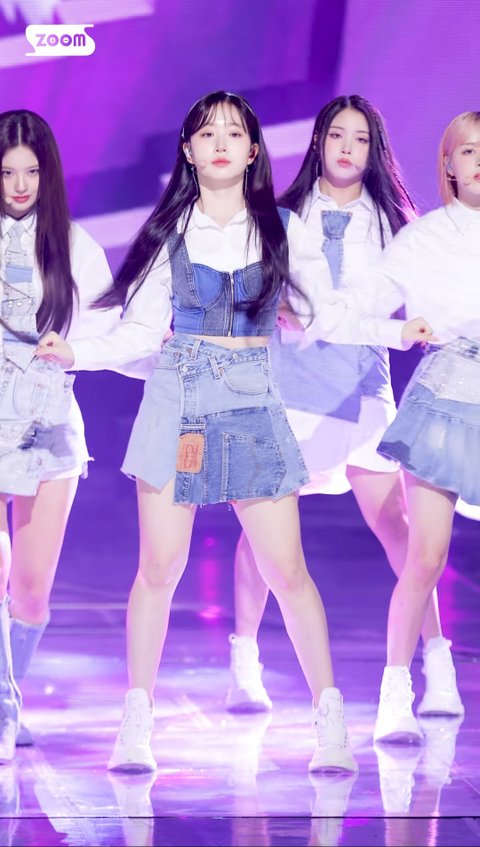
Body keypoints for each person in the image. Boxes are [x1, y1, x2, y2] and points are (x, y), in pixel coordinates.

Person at [36, 91, 431, 774]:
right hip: (179, 405)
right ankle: (137, 721)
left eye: (233, 132)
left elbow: (328, 315)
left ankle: (329, 720)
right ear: (188, 151)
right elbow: (138, 333)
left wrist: (396, 333)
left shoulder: (280, 228)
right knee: (159, 568)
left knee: (288, 570)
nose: (219, 142)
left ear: (252, 151)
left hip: (251, 405)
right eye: (206, 132)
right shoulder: (169, 232)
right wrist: (77, 352)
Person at [226, 95, 463, 727]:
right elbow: (248, 292)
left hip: (361, 391)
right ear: (318, 142)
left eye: (361, 139)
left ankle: (436, 662)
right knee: (261, 535)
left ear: (374, 150)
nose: (348, 148)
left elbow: (423, 300)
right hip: (290, 388)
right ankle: (244, 659)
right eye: (337, 135)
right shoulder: (280, 216)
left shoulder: (395, 224)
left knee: (401, 530)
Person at [0, 109, 119, 763]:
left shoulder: (74, 245)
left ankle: (9, 693)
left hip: (47, 422)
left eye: (31, 172)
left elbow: (108, 331)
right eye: (7, 173)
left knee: (31, 589)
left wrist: (74, 348)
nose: (20, 185)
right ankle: (2, 709)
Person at [368, 110, 480, 742]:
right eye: (469, 150)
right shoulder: (423, 237)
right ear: (449, 165)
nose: (479, 160)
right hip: (445, 398)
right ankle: (396, 691)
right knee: (426, 555)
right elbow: (364, 303)